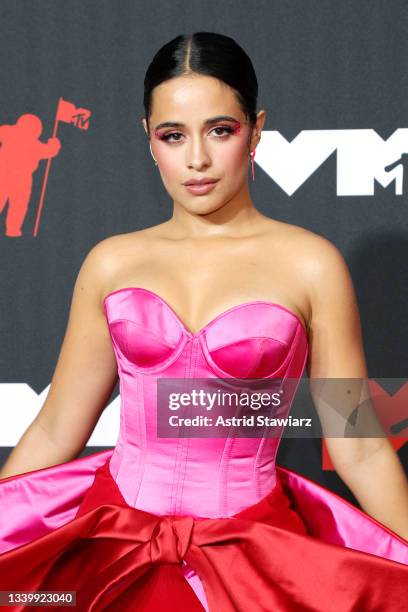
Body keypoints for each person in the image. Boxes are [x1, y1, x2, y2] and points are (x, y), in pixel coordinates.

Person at [0, 31, 407, 612]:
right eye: (173, 135)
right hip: (110, 543)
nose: (196, 159)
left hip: (251, 549)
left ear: (256, 130)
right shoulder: (112, 262)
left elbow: (358, 445)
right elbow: (55, 428)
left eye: (220, 130)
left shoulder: (312, 266)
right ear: (149, 139)